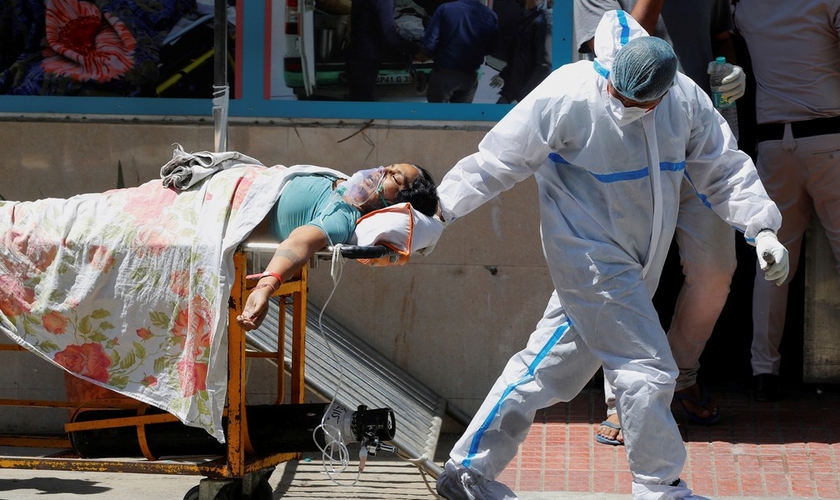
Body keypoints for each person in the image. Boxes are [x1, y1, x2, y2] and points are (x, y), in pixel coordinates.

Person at [433, 10, 788, 500]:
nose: (623, 105)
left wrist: (762, 228)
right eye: (617, 93)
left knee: (546, 371)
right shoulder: (567, 92)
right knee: (647, 367)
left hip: (637, 264)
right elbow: (493, 163)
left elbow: (724, 169)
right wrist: (438, 213)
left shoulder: (683, 99)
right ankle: (660, 486)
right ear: (606, 69)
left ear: (663, 92)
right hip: (589, 258)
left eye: (637, 101)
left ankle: (466, 470)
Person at [575, 0, 747, 445]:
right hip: (629, 145)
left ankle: (681, 371)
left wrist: (730, 77)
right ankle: (627, 399)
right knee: (625, 273)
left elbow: (719, 42)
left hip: (699, 139)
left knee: (715, 272)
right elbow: (612, 54)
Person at [733, 0, 840, 402]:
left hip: (774, 142)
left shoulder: (746, 9)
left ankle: (764, 369)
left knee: (773, 260)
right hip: (830, 137)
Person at [236, 163, 438, 330]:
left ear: (395, 204)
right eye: (389, 167)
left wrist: (264, 287)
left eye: (394, 178)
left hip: (227, 199)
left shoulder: (341, 217)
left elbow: (299, 242)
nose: (382, 171)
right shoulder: (344, 186)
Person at [419, 0, 498, 103]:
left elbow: (429, 42)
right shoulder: (490, 15)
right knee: (461, 116)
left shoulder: (445, 9)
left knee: (437, 115)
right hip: (470, 76)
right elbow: (492, 48)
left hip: (444, 73)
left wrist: (434, 55)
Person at [345, 0, 420, 101]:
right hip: (367, 57)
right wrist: (414, 51)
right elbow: (389, 34)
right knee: (362, 102)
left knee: (358, 100)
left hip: (358, 53)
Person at [489, 0, 552, 104]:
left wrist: (524, 96)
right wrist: (504, 74)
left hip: (523, 95)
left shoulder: (543, 21)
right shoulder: (527, 17)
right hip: (513, 91)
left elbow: (545, 65)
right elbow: (519, 56)